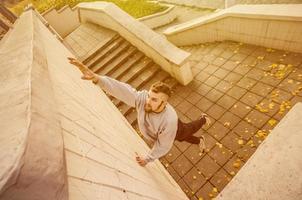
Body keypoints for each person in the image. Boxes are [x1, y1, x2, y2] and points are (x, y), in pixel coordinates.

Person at [68, 57, 211, 167]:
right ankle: (200, 140)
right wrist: (98, 79)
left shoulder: (169, 121)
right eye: (149, 96)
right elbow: (122, 90)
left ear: (164, 103)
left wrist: (148, 159)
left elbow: (163, 146)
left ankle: (203, 119)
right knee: (179, 138)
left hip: (175, 128)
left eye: (154, 100)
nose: (148, 101)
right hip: (166, 131)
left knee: (185, 132)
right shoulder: (143, 100)